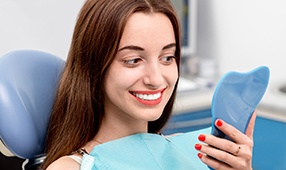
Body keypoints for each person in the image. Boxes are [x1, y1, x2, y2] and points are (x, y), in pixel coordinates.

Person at [42, 0, 256, 169]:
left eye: (167, 57)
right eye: (133, 60)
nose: (155, 79)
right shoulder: (72, 167)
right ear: (94, 66)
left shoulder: (194, 152)